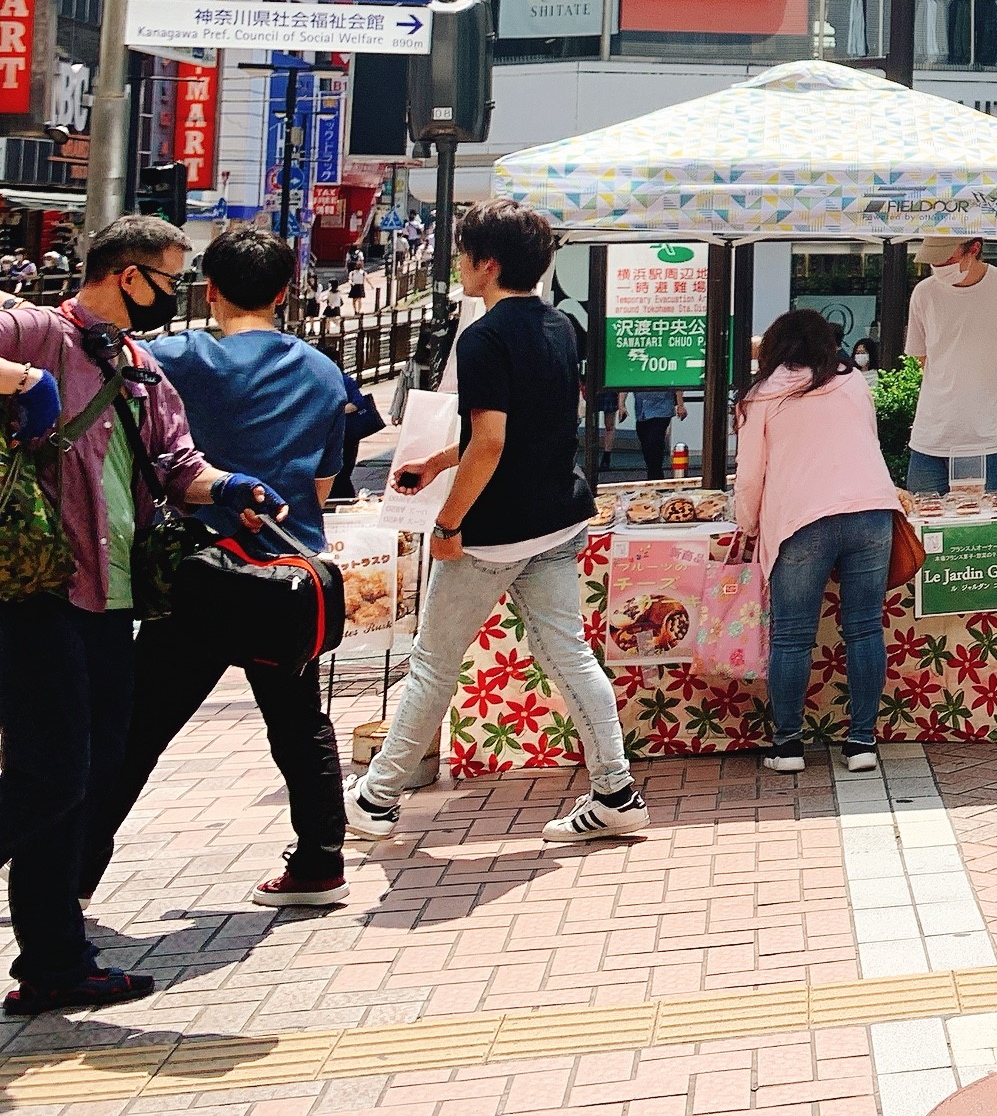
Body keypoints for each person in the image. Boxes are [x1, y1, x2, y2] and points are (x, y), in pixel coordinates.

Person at [0, 215, 280, 1014]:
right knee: (48, 776)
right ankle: (55, 956)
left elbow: (178, 464)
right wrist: (23, 384)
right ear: (127, 275)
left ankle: (55, 963)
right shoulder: (38, 333)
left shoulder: (140, 364)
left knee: (85, 776)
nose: (178, 293)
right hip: (36, 591)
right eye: (170, 278)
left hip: (113, 596)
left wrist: (226, 487)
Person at [345, 200, 651, 844]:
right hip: (559, 520)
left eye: (462, 254)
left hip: (496, 532)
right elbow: (522, 427)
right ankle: (616, 791)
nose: (458, 265)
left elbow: (491, 442)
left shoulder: (482, 337)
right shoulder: (559, 327)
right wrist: (436, 461)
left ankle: (376, 797)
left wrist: (449, 524)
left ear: (486, 264)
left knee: (433, 662)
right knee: (568, 655)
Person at [79, 226, 355, 911]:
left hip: (201, 576)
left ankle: (70, 876)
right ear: (288, 292)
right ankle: (320, 860)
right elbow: (321, 488)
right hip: (285, 580)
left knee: (136, 729)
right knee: (299, 723)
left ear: (211, 290)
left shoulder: (178, 356)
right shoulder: (323, 373)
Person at [731, 309, 901, 773]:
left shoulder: (760, 396)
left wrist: (746, 526)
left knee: (791, 637)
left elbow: (748, 480)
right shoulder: (852, 382)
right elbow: (868, 441)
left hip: (800, 519)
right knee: (864, 627)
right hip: (870, 510)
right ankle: (861, 742)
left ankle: (788, 748)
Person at [902, 239, 997, 494]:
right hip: (929, 438)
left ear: (974, 249)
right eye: (933, 260)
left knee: (982, 531)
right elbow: (923, 358)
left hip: (986, 442)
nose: (939, 266)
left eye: (946, 259)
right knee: (924, 529)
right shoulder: (924, 293)